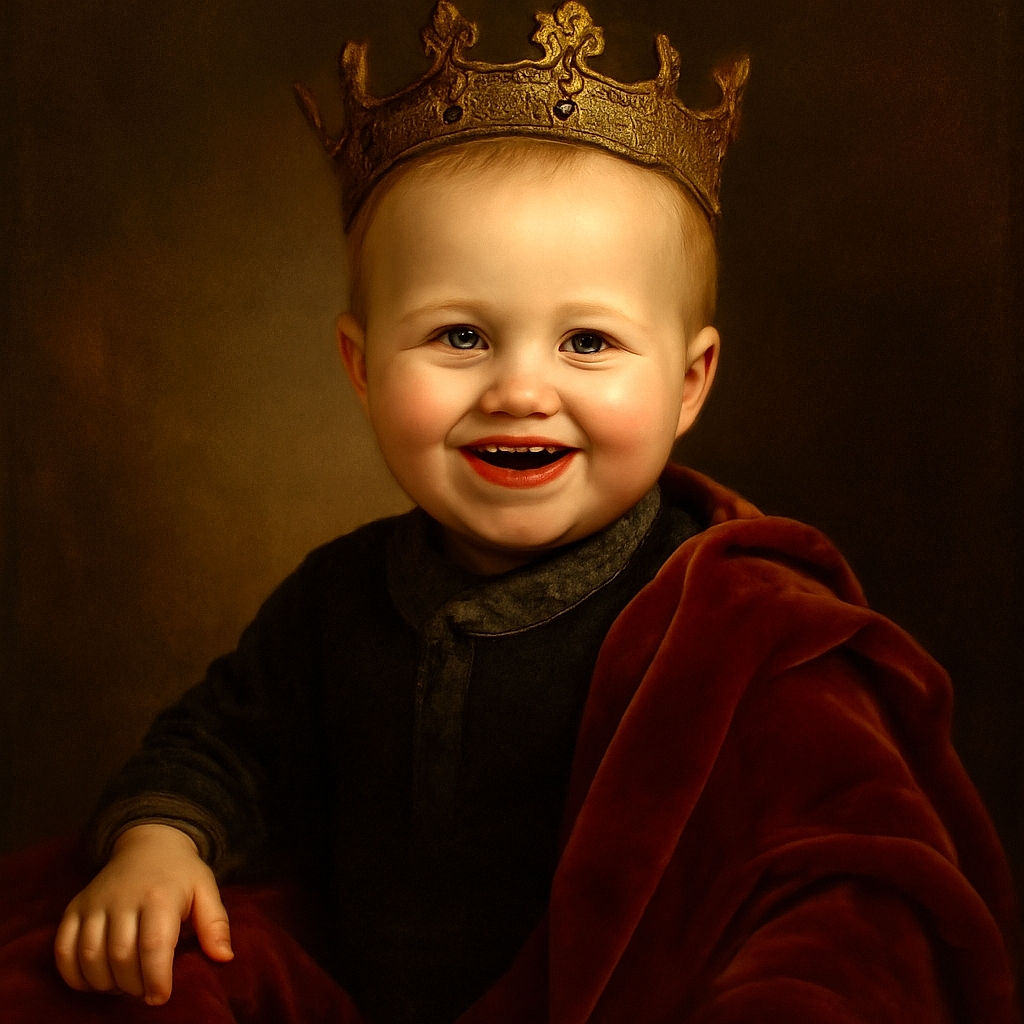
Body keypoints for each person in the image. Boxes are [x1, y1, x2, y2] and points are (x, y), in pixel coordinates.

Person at [31, 2, 1019, 1021]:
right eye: (460, 335)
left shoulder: (735, 624)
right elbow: (220, 743)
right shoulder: (335, 598)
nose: (518, 390)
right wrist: (162, 838)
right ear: (360, 368)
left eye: (587, 342)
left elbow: (838, 876)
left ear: (689, 383)